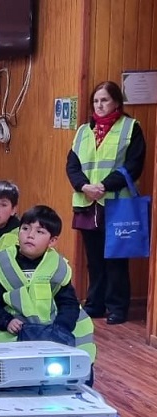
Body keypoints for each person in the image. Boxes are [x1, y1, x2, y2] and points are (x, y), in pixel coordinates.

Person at [66, 80, 147, 325]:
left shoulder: (131, 127)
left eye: (105, 100)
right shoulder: (83, 131)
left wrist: (104, 186)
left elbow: (134, 165)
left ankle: (117, 307)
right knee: (94, 258)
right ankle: (95, 304)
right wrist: (83, 186)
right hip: (87, 203)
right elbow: (72, 165)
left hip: (116, 203)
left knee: (116, 258)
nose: (99, 105)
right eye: (96, 101)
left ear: (117, 102)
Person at [0, 205, 96, 364]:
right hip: (16, 331)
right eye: (25, 228)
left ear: (52, 241)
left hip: (52, 329)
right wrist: (6, 321)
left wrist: (61, 328)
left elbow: (69, 303)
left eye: (40, 232)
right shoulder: (2, 262)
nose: (30, 235)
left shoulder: (57, 266)